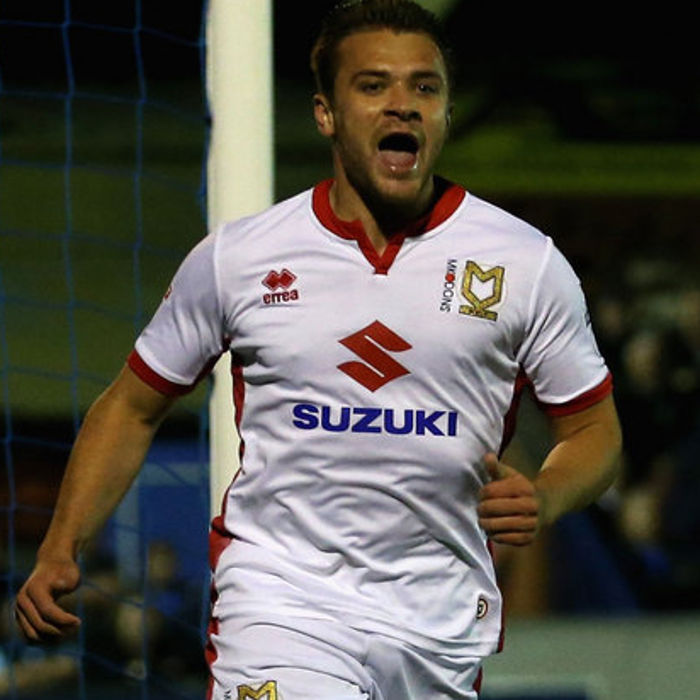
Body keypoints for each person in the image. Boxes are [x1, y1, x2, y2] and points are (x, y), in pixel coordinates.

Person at [15, 1, 622, 698]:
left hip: (437, 623)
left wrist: (546, 495)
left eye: (424, 87)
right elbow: (132, 406)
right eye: (373, 85)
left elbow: (595, 431)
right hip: (281, 603)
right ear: (326, 114)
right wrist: (62, 545)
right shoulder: (240, 258)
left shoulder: (524, 263)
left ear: (447, 113)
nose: (403, 104)